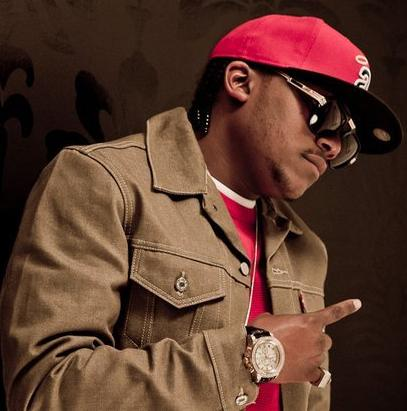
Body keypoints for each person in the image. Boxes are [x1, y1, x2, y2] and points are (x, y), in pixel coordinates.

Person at [0, 14, 402, 411]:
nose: (333, 145)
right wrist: (254, 355)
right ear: (240, 81)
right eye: (325, 113)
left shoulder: (307, 250)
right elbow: (45, 389)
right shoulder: (104, 184)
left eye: (346, 137)